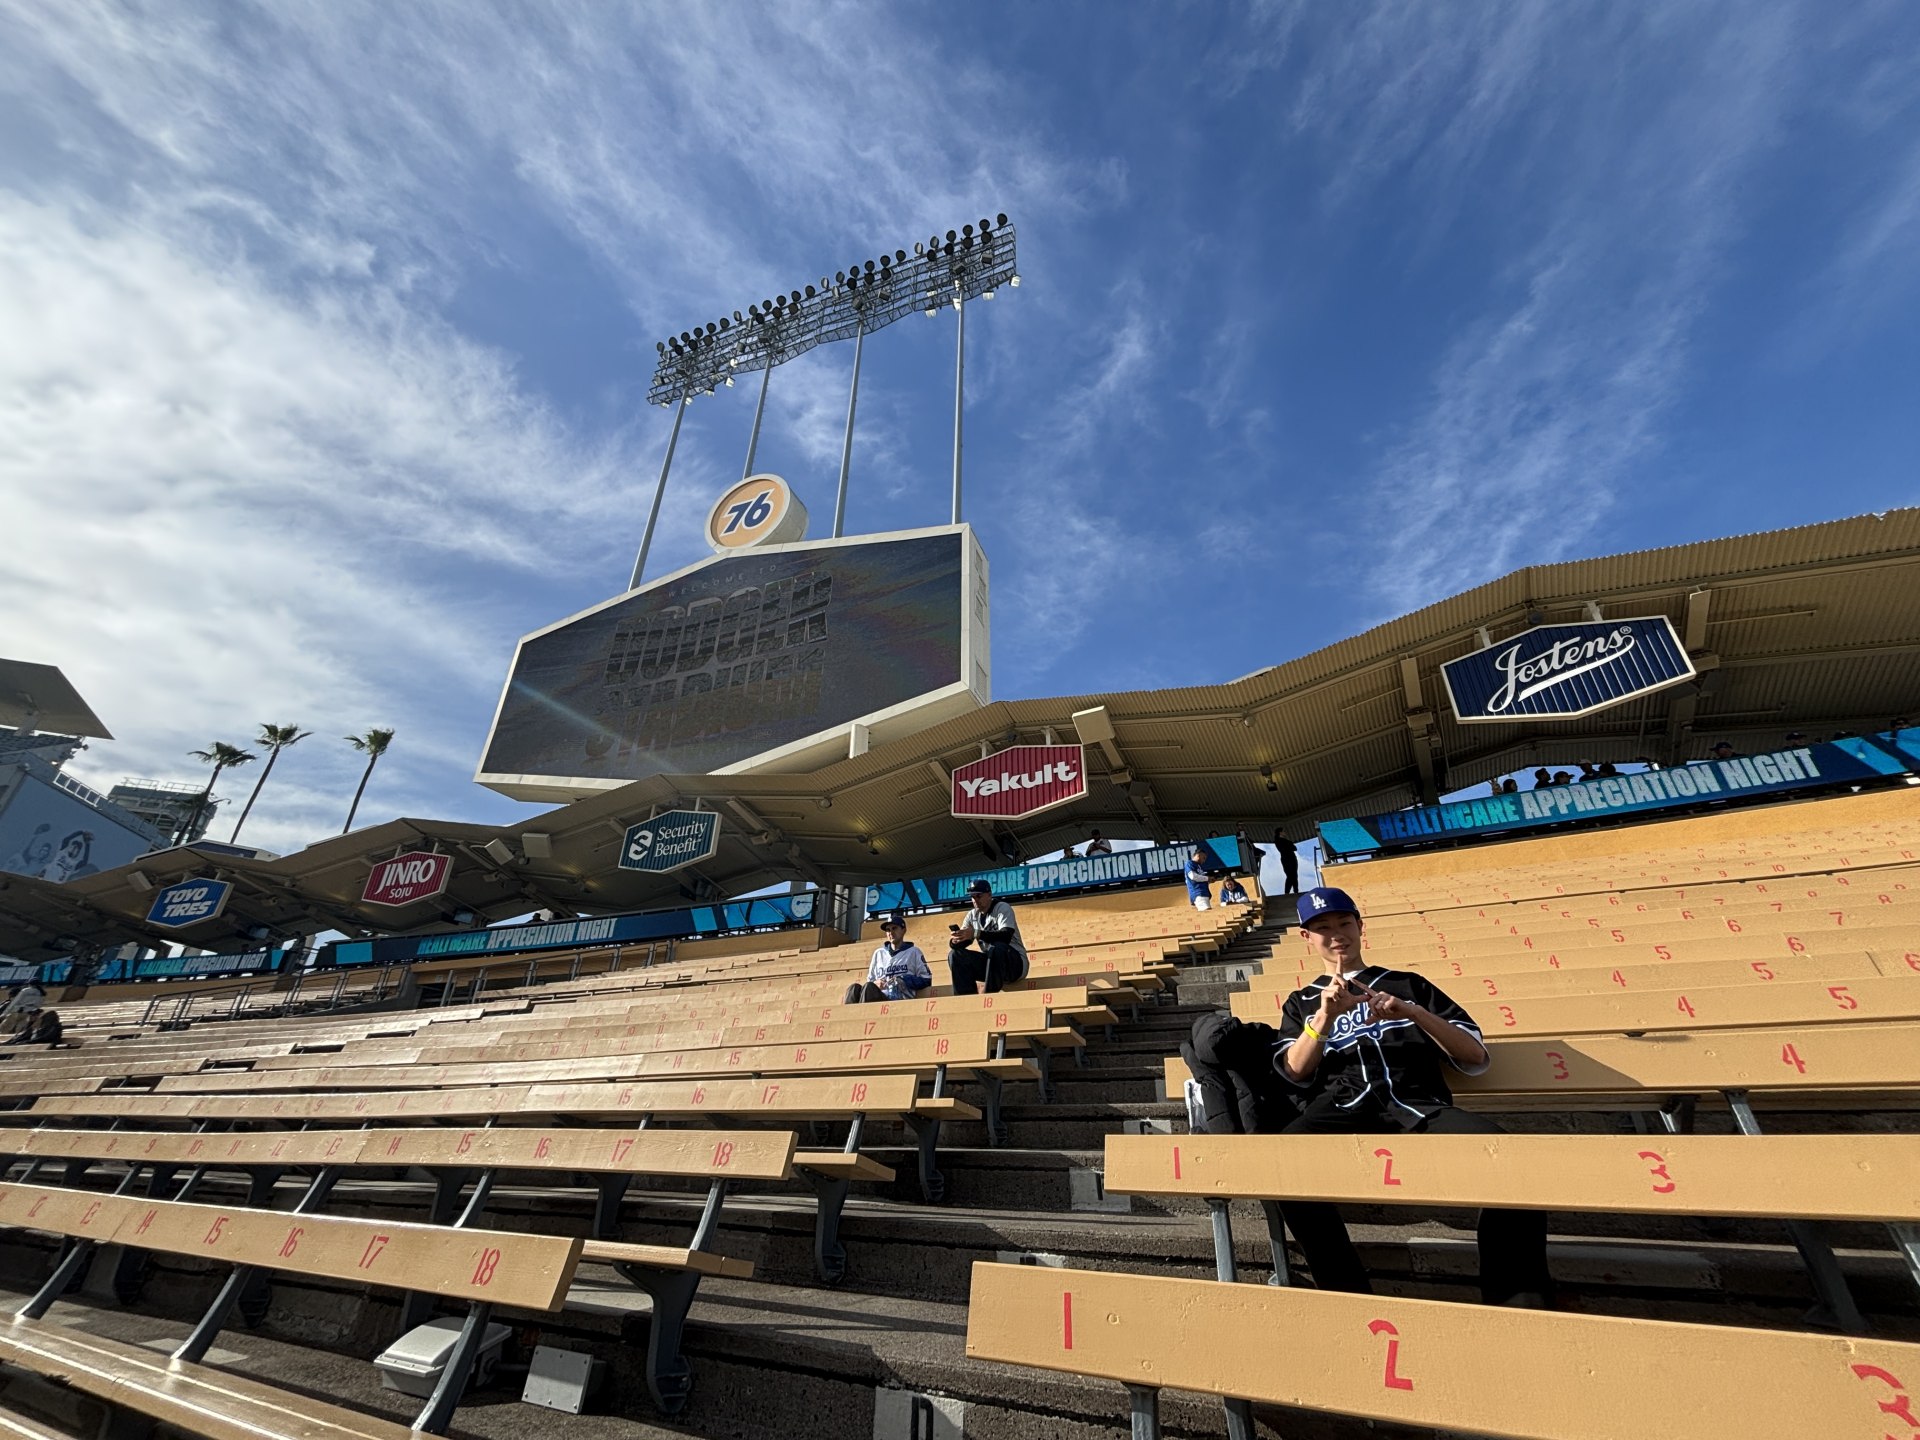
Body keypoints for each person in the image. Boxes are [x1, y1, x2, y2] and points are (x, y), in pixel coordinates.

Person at [1270, 886, 1552, 1307]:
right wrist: (1324, 1018)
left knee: (1514, 1158)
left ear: (1360, 926)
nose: (1336, 934)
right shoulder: (1303, 1001)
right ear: (1307, 937)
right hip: (1342, 1108)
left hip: (1417, 1105)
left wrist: (1414, 1012)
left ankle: (1516, 1304)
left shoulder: (1407, 983)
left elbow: (1474, 1054)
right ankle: (1347, 1298)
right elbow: (1294, 1070)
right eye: (1323, 928)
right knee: (1278, 1160)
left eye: (1344, 923)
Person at [947, 881, 1027, 995]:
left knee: (997, 947)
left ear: (989, 895)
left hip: (1014, 964)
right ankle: (966, 998)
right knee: (955, 955)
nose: (975, 900)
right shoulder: (972, 915)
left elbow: (1005, 936)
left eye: (979, 896)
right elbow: (965, 941)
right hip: (992, 965)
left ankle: (989, 994)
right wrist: (955, 941)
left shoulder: (1002, 907)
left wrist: (976, 933)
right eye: (972, 897)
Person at [845, 915, 932, 1004]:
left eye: (894, 928)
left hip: (901, 999)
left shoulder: (914, 952)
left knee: (869, 987)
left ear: (903, 930)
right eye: (888, 930)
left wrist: (904, 979)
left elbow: (927, 979)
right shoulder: (878, 953)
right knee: (853, 989)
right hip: (880, 997)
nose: (891, 932)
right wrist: (876, 983)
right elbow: (870, 981)